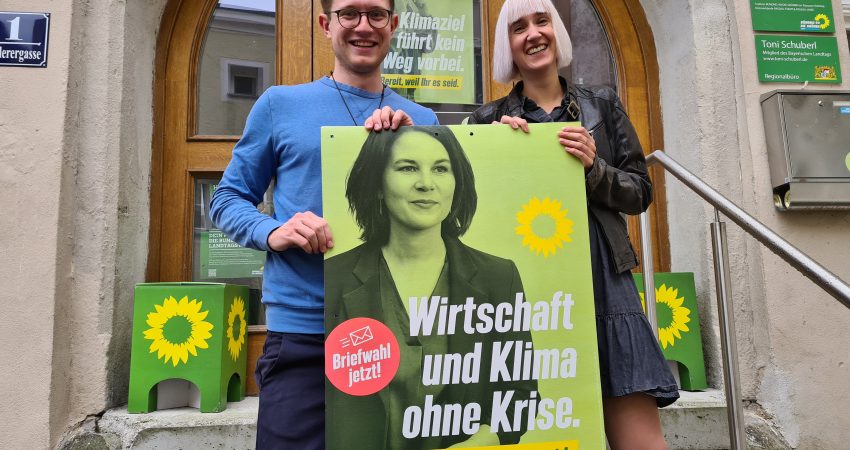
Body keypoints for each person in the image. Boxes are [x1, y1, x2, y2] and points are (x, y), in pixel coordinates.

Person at [209, 0, 438, 448]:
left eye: (375, 15)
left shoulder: (423, 121)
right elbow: (227, 199)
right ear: (325, 24)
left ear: (392, 25)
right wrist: (273, 231)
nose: (363, 27)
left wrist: (414, 147)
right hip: (303, 335)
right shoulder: (279, 104)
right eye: (349, 13)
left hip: (400, 333)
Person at [468, 1, 679, 449]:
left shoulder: (602, 104)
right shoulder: (488, 120)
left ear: (556, 30)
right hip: (531, 287)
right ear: (508, 45)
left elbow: (640, 192)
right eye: (518, 27)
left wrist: (594, 168)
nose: (533, 34)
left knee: (640, 438)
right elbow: (472, 210)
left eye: (541, 21)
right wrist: (497, 156)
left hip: (603, 275)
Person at [325, 126, 537, 449]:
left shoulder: (498, 277)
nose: (426, 183)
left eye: (440, 169)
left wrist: (481, 441)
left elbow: (522, 394)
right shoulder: (335, 276)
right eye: (408, 168)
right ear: (378, 185)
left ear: (456, 183)